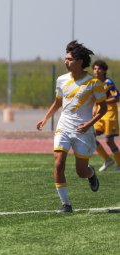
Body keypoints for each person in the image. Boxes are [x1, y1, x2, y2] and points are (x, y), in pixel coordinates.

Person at [36, 40, 105, 213]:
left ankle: (91, 174)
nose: (65, 62)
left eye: (69, 59)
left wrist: (89, 124)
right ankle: (66, 204)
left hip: (83, 131)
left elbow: (103, 109)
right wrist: (45, 118)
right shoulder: (61, 80)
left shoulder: (94, 83)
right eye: (65, 59)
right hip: (64, 126)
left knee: (81, 172)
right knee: (58, 163)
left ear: (80, 61)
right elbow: (58, 102)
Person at [92, 60, 120, 172]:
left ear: (104, 71)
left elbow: (117, 97)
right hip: (100, 114)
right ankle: (108, 160)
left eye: (99, 68)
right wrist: (95, 107)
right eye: (94, 68)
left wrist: (103, 101)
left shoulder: (108, 83)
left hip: (110, 114)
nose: (96, 71)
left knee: (109, 141)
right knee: (91, 137)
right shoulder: (94, 82)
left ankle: (119, 164)